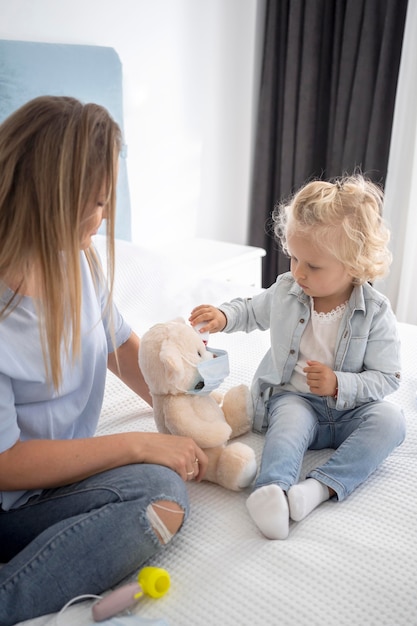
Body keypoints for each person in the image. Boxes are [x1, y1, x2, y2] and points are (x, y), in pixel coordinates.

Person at [0, 95, 208, 625]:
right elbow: (5, 463)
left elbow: (118, 346)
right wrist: (139, 443)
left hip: (50, 488)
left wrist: (189, 417)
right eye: (96, 201)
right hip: (9, 495)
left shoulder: (80, 262)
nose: (107, 212)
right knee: (158, 491)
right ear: (52, 198)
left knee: (161, 490)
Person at [190, 173, 406, 540]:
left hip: (349, 408)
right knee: (286, 426)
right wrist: (224, 316)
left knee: (391, 421)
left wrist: (341, 383)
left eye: (313, 266)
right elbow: (252, 309)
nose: (298, 272)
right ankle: (271, 491)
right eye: (294, 258)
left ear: (353, 265)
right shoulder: (288, 290)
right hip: (297, 399)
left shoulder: (375, 311)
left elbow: (388, 378)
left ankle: (318, 489)